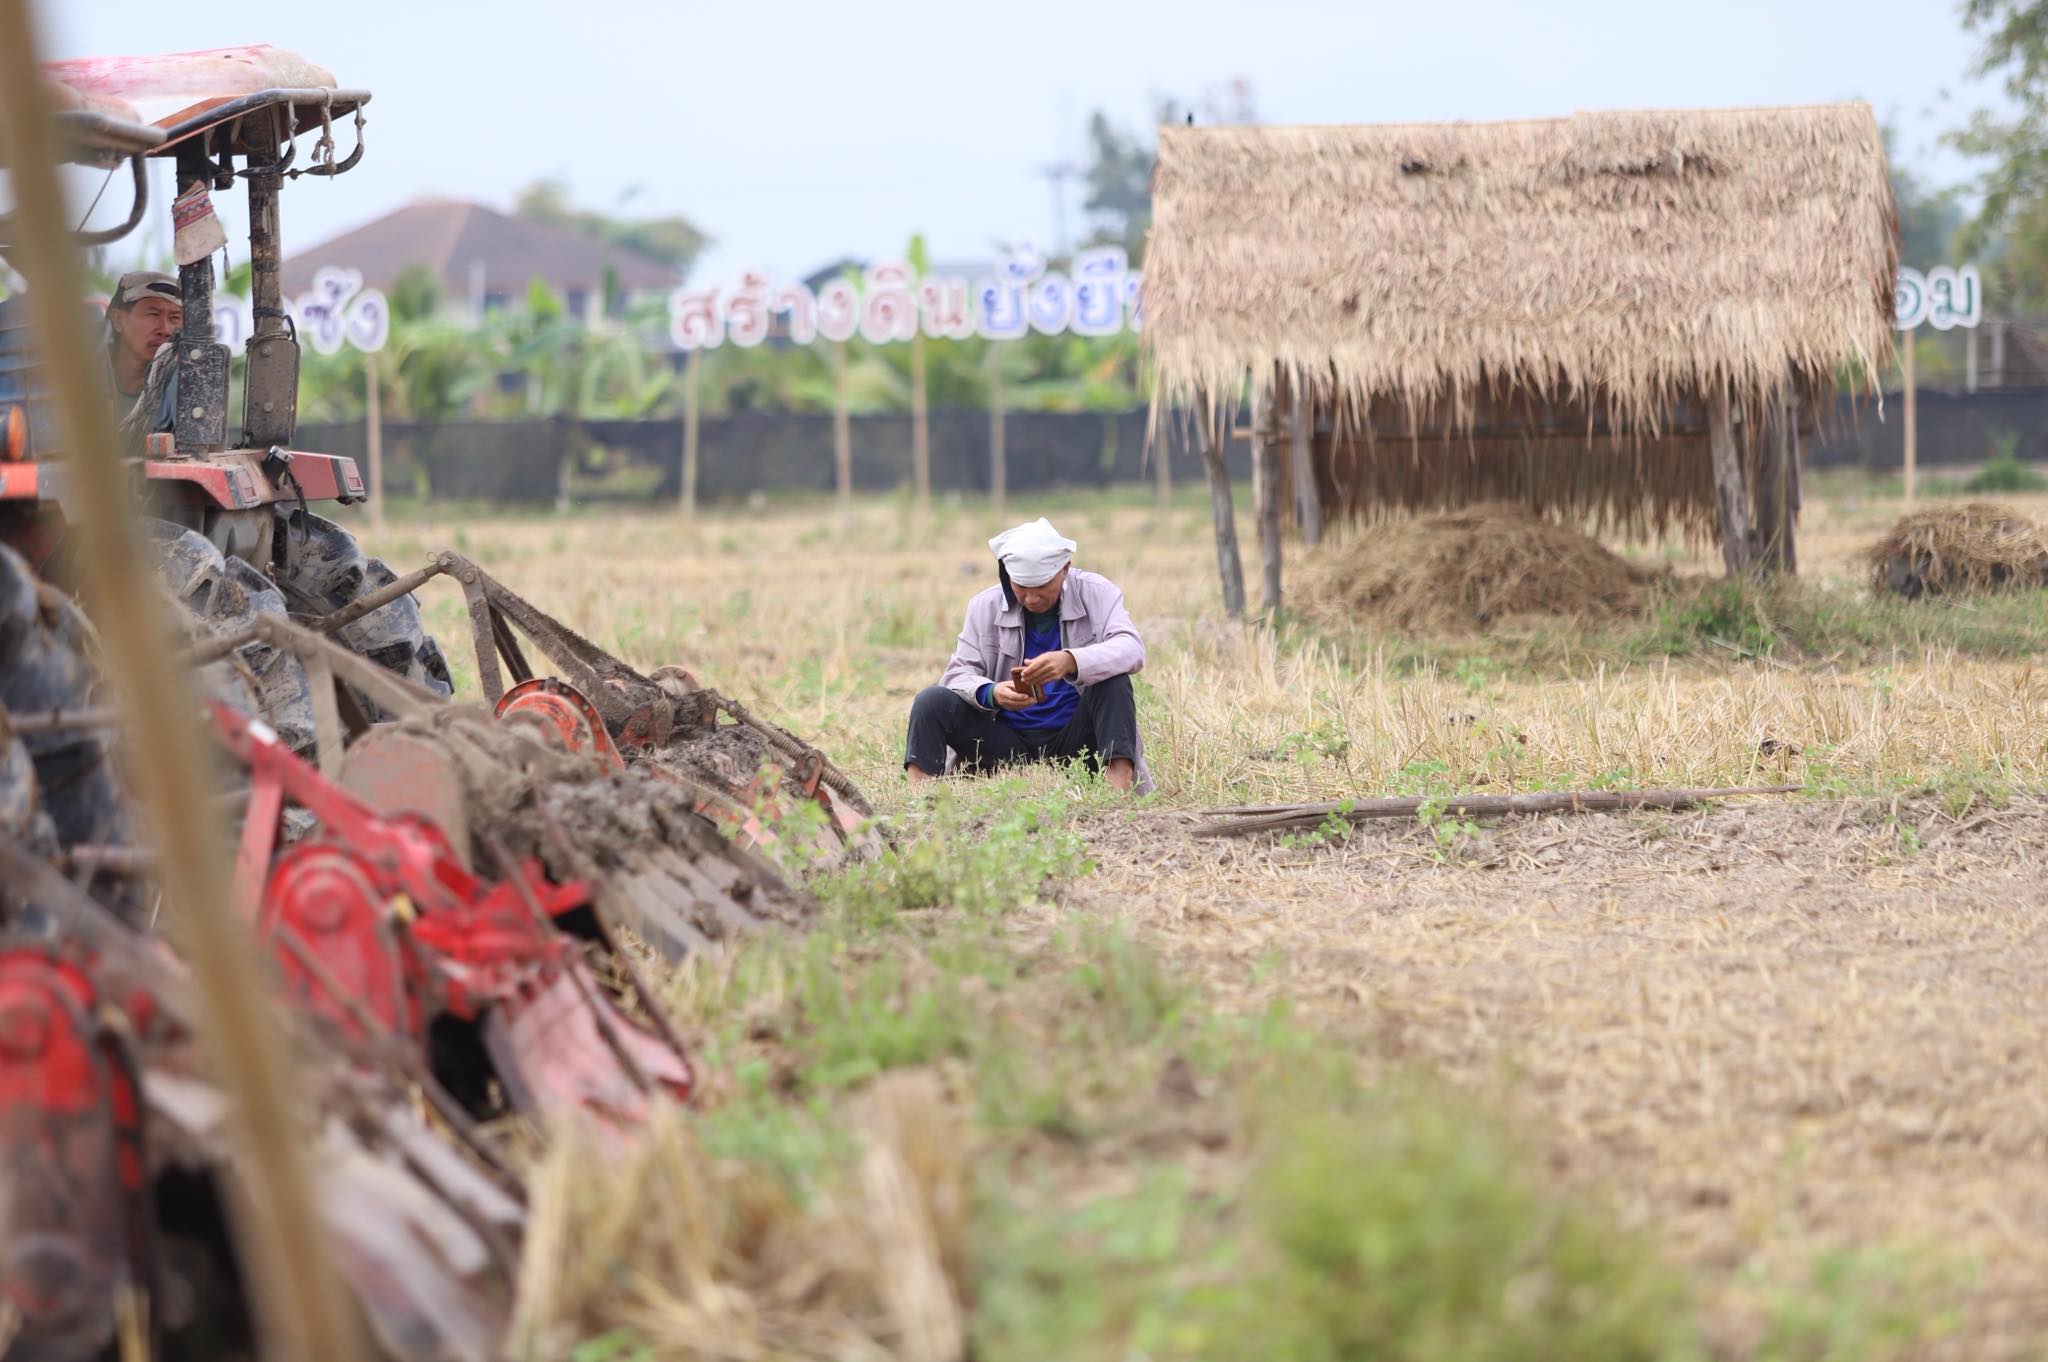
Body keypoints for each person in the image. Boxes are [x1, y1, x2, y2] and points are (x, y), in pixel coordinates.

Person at [905, 516, 1149, 792]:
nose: (1032, 598)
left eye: (1043, 586)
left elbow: (1131, 648)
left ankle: (1117, 792)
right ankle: (921, 798)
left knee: (1113, 682)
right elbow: (956, 675)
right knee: (931, 701)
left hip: (1077, 743)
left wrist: (1071, 661)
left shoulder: (1098, 592)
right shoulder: (984, 606)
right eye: (1021, 587)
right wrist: (992, 693)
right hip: (1005, 745)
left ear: (1065, 568)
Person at [102, 269, 179, 432]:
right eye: (153, 314)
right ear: (118, 320)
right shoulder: (83, 383)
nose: (165, 330)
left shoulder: (184, 392)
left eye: (174, 318)